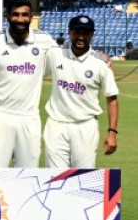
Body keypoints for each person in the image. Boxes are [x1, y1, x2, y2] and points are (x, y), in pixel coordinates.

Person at [0, 0, 57, 167]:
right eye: (15, 14)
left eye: (25, 15)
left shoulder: (44, 40)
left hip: (29, 117)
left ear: (31, 17)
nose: (20, 19)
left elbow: (67, 59)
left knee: (28, 175)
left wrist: (100, 57)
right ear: (7, 16)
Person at [43, 15, 119, 168]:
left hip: (85, 127)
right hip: (56, 125)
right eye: (77, 32)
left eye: (86, 33)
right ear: (70, 32)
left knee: (81, 178)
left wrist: (112, 132)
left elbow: (112, 100)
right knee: (54, 177)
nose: (81, 37)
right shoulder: (55, 54)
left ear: (92, 35)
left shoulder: (100, 63)